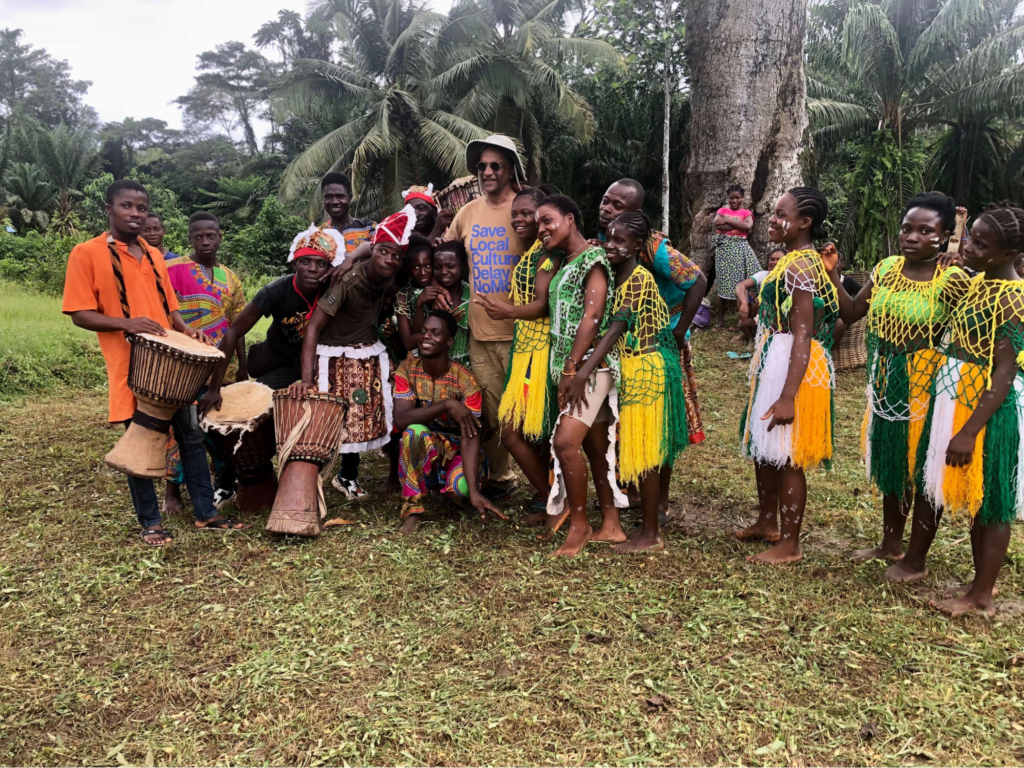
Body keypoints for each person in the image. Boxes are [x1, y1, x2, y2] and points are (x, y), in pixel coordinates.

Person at [62, 180, 245, 547]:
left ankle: (206, 513)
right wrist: (126, 323)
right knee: (142, 441)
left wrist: (187, 331)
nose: (135, 213)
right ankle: (151, 523)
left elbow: (170, 307)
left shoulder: (154, 253)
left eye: (141, 208)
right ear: (109, 209)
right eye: (127, 206)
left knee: (191, 438)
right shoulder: (87, 253)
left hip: (171, 365)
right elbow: (79, 312)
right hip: (132, 366)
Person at [822, 193, 968, 572]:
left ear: (945, 235)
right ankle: (890, 544)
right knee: (892, 462)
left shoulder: (951, 278)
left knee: (922, 466)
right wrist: (834, 274)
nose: (912, 236)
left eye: (925, 230)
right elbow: (853, 311)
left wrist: (965, 262)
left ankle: (916, 558)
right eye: (907, 228)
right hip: (886, 375)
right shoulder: (886, 268)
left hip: (927, 380)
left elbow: (976, 328)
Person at [891, 202, 1024, 617]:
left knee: (990, 498)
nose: (968, 246)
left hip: (986, 406)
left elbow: (1004, 372)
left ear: (1009, 255)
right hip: (953, 393)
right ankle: (914, 561)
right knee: (932, 478)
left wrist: (969, 430)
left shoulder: (1013, 298)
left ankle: (980, 595)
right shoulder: (975, 281)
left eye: (980, 244)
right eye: (968, 237)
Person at [565, 212, 689, 553]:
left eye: (620, 241)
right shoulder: (616, 273)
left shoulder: (637, 279)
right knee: (639, 450)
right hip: (632, 368)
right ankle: (647, 525)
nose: (611, 245)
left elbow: (615, 330)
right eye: (608, 237)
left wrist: (581, 373)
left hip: (646, 368)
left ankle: (650, 534)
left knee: (646, 453)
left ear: (637, 245)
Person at [736, 187, 838, 565]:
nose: (772, 220)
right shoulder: (791, 260)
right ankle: (767, 522)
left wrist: (788, 395)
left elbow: (803, 333)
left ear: (804, 222)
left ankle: (790, 543)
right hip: (776, 357)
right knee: (767, 448)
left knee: (789, 453)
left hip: (794, 363)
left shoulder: (800, 265)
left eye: (781, 213)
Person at [597, 179, 707, 522]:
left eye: (617, 206)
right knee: (630, 420)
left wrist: (678, 330)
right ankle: (634, 490)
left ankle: (659, 502)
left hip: (657, 344)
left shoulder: (654, 247)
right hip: (626, 348)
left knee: (659, 422)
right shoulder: (606, 240)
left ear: (635, 217)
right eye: (605, 200)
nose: (606, 208)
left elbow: (698, 281)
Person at [290, 207, 408, 498]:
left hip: (370, 352)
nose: (389, 260)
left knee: (375, 412)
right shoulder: (346, 280)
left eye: (396, 255)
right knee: (335, 420)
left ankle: (350, 475)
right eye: (384, 253)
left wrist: (356, 253)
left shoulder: (387, 275)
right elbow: (313, 328)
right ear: (374, 252)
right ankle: (310, 480)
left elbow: (379, 242)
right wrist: (307, 378)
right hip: (336, 355)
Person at [444, 134, 529, 498]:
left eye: (496, 165)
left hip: (525, 333)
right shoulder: (468, 213)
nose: (488, 171)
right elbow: (446, 257)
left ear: (511, 168)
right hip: (480, 332)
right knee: (490, 414)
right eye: (481, 166)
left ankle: (546, 486)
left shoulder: (527, 209)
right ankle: (501, 477)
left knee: (526, 415)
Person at [543, 195, 627, 557]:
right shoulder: (567, 263)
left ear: (571, 219)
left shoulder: (593, 259)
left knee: (565, 443)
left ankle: (579, 524)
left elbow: (592, 317)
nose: (542, 229)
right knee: (594, 448)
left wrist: (571, 368)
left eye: (547, 221)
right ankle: (612, 525)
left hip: (590, 368)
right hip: (573, 369)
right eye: (538, 225)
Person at [476, 186, 560, 523]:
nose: (520, 219)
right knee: (526, 431)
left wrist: (507, 311)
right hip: (524, 349)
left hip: (539, 352)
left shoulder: (546, 255)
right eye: (515, 214)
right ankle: (550, 498)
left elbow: (543, 305)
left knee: (518, 432)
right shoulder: (531, 252)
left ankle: (554, 501)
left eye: (528, 213)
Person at [392, 312, 507, 534]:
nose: (426, 337)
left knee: (460, 490)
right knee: (414, 434)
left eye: (435, 333)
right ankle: (413, 509)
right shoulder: (407, 369)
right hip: (427, 444)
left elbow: (471, 435)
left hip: (458, 449)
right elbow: (402, 419)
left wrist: (473, 490)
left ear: (449, 341)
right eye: (424, 331)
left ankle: (460, 491)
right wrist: (446, 404)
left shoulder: (465, 380)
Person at [164, 212, 249, 508]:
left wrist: (243, 369)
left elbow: (238, 327)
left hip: (221, 369)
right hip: (182, 365)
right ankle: (172, 491)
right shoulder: (171, 269)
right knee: (181, 429)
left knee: (222, 428)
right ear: (190, 239)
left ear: (219, 236)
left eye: (210, 235)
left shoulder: (231, 278)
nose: (205, 242)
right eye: (198, 236)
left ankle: (224, 482)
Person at [140, 212, 188, 513]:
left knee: (194, 427)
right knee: (169, 425)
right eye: (148, 229)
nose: (153, 233)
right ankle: (171, 489)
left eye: (157, 228)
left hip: (194, 347)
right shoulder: (134, 261)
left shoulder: (177, 263)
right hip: (158, 350)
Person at [412, 240, 472, 366]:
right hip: (433, 367)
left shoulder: (472, 295)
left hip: (468, 367)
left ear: (464, 266)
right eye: (438, 267)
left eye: (450, 266)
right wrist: (419, 305)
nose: (443, 272)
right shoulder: (425, 296)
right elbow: (417, 334)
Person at [713, 184, 761, 333]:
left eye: (737, 198)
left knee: (739, 283)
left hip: (739, 250)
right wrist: (739, 226)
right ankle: (721, 321)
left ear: (742, 198)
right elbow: (717, 224)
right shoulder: (722, 210)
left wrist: (727, 223)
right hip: (723, 250)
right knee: (722, 282)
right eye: (731, 198)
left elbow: (748, 226)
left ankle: (741, 321)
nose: (734, 200)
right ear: (728, 198)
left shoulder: (746, 212)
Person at [394, 235, 436, 355]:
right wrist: (419, 304)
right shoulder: (401, 296)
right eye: (416, 267)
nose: (423, 273)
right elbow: (408, 342)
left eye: (427, 266)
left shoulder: (441, 288)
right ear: (408, 270)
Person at [736, 249, 785, 344]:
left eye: (779, 260)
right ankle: (750, 338)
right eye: (772, 259)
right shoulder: (763, 275)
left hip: (778, 318)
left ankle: (757, 334)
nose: (775, 262)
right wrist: (744, 303)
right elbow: (740, 286)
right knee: (743, 294)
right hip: (761, 314)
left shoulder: (787, 278)